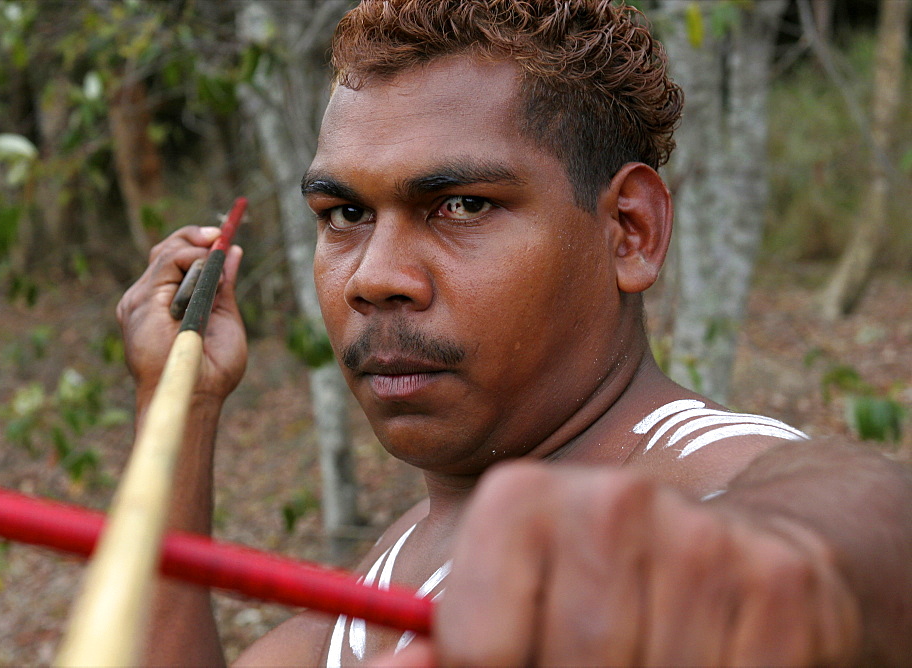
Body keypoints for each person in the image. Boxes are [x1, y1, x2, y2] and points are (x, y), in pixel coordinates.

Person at [116, 0, 912, 665]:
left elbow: (852, 523)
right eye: (346, 215)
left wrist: (788, 562)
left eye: (462, 205)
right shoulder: (393, 568)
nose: (374, 277)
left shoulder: (699, 491)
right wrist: (178, 407)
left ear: (629, 231)